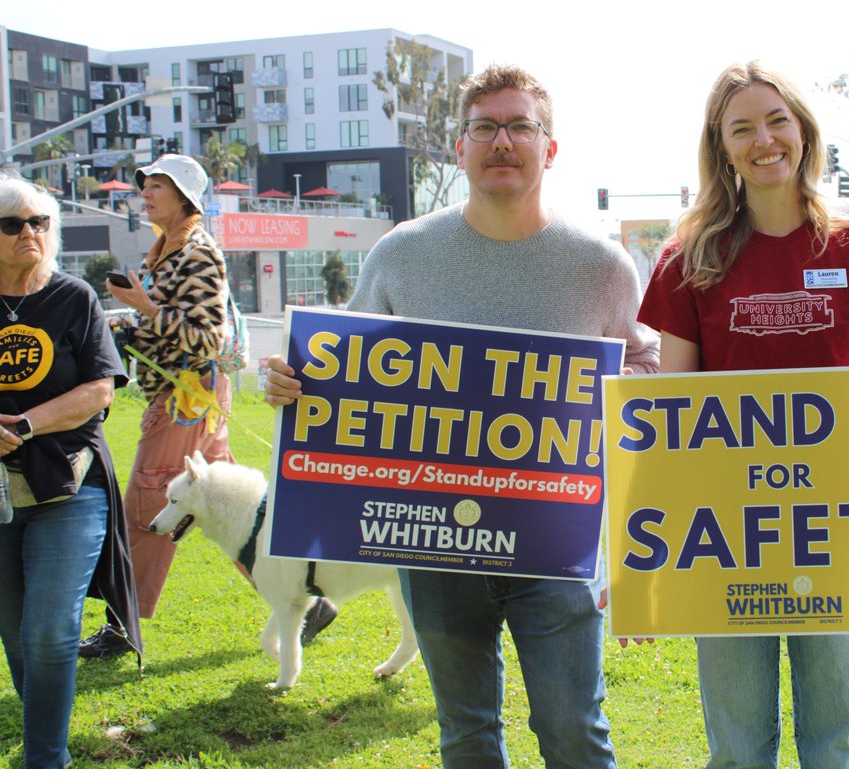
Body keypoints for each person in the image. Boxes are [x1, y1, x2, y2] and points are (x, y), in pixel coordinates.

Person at [266, 64, 658, 768]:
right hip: (430, 541)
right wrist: (297, 384)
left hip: (555, 544)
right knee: (467, 734)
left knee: (574, 730)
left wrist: (625, 383)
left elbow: (646, 379)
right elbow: (345, 377)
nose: (501, 142)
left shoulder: (602, 266)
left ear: (550, 147)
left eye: (519, 127)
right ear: (460, 147)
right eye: (484, 128)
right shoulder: (402, 253)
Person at [636, 61, 849, 769]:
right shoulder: (684, 261)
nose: (764, 140)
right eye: (742, 128)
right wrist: (644, 564)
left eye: (777, 120)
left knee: (833, 750)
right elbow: (669, 426)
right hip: (723, 541)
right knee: (737, 752)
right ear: (720, 146)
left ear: (803, 131)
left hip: (840, 539)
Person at [79, 155, 339, 657]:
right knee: (237, 511)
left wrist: (146, 310)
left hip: (188, 397)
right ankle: (310, 600)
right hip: (191, 396)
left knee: (147, 505)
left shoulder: (196, 253)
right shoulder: (168, 252)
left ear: (185, 197)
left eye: (159, 185)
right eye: (146, 185)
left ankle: (121, 624)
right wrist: (133, 326)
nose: (147, 193)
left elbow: (205, 339)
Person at [0, 174, 141, 768]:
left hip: (69, 484)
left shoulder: (73, 297)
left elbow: (101, 389)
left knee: (52, 629)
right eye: (13, 224)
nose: (30, 233)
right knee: (17, 633)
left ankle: (45, 760)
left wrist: (25, 423)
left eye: (40, 222)